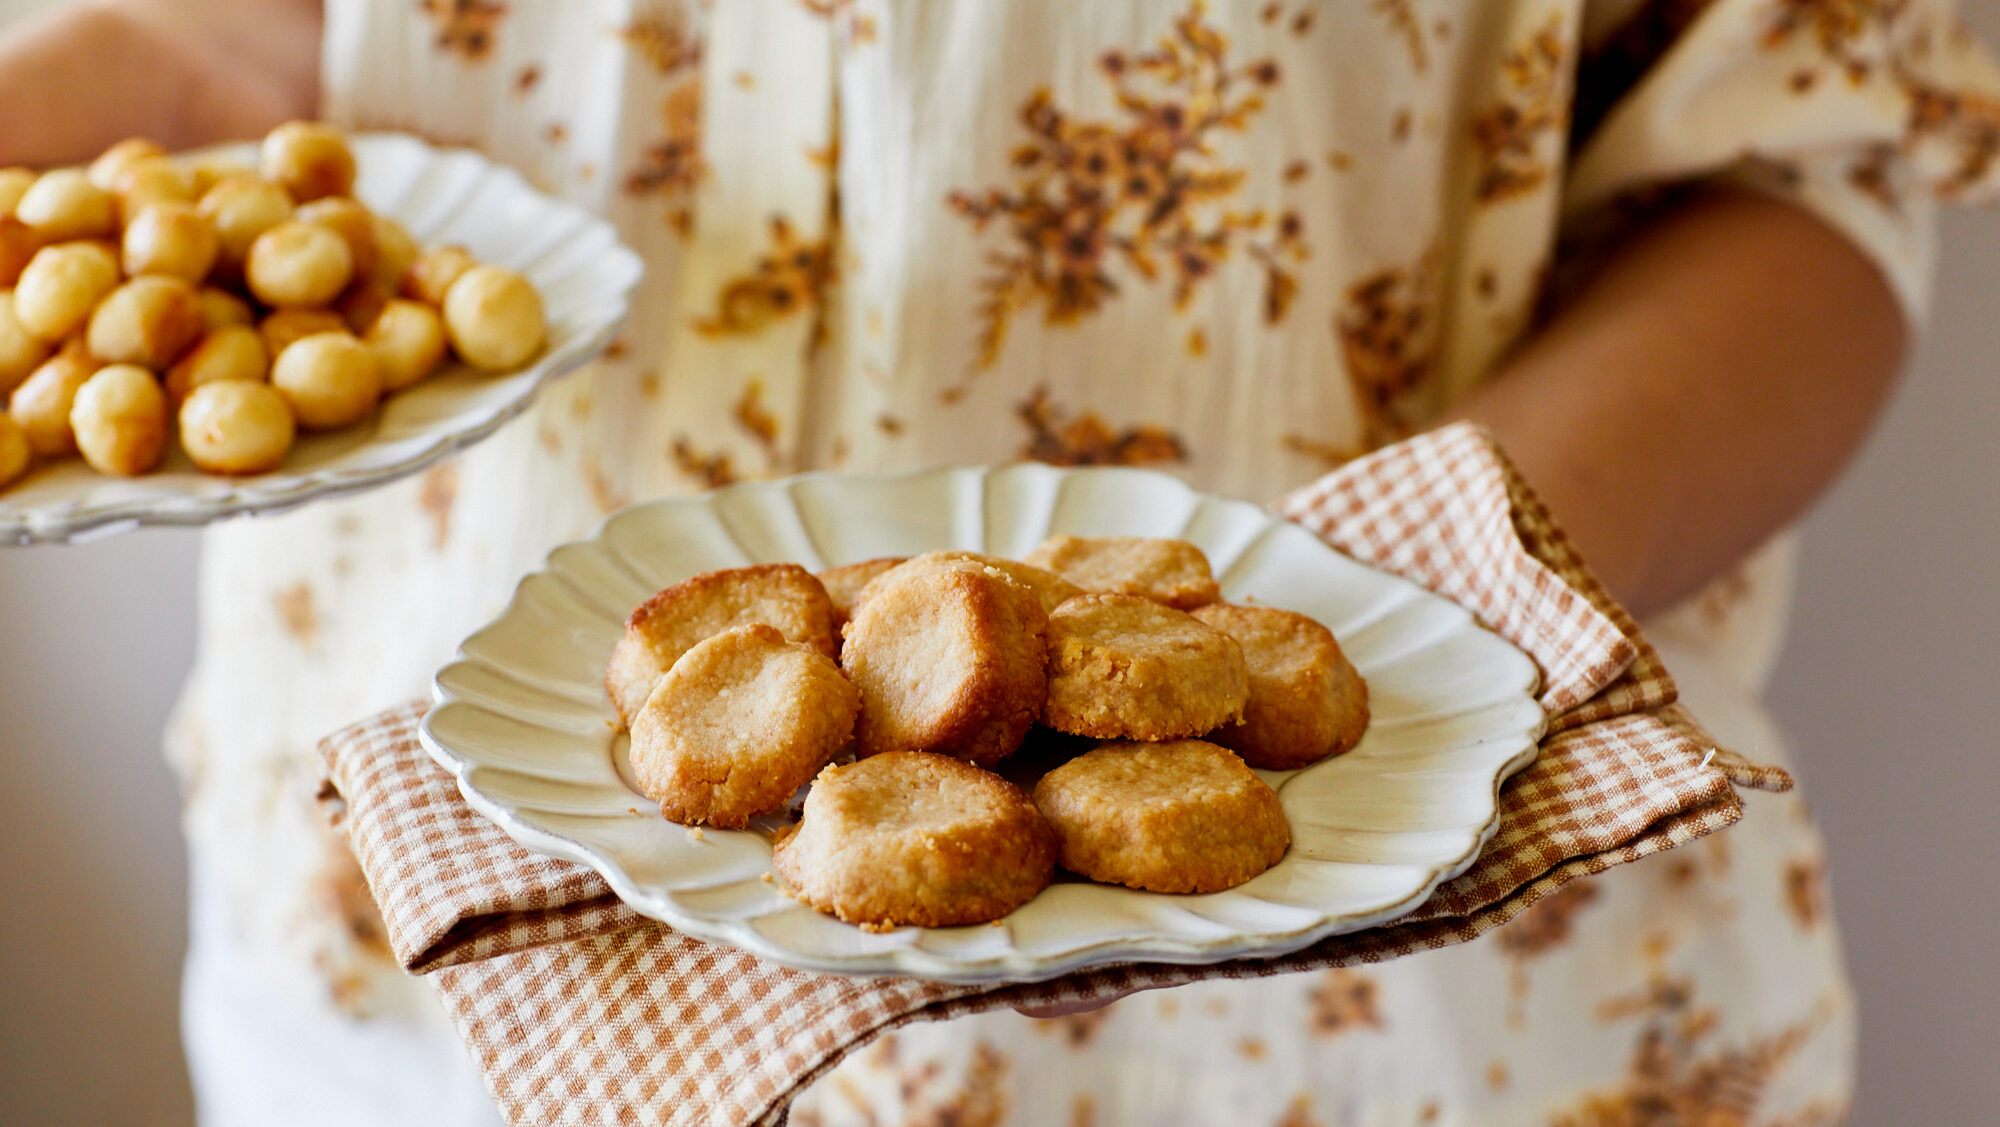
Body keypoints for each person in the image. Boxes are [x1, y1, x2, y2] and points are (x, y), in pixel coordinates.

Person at [4, 0, 1996, 1123]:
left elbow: (1808, 145)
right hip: (452, 954)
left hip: (1385, 1037)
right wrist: (124, 121)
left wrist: (1414, 619)